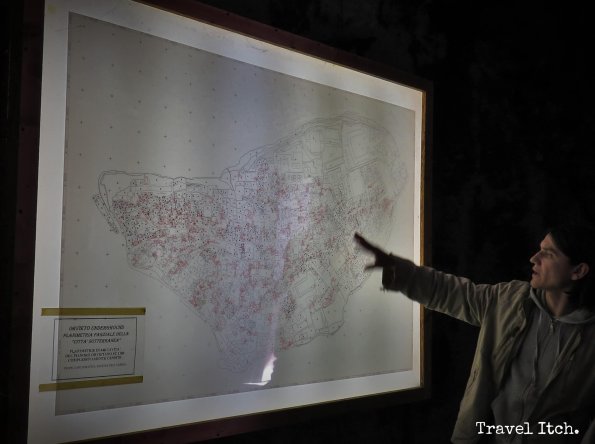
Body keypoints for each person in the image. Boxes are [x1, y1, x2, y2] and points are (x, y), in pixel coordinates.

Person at [354, 224, 595, 444]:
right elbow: (451, 292)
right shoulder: (509, 301)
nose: (534, 258)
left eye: (548, 253)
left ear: (578, 271)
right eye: (539, 249)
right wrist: (399, 270)